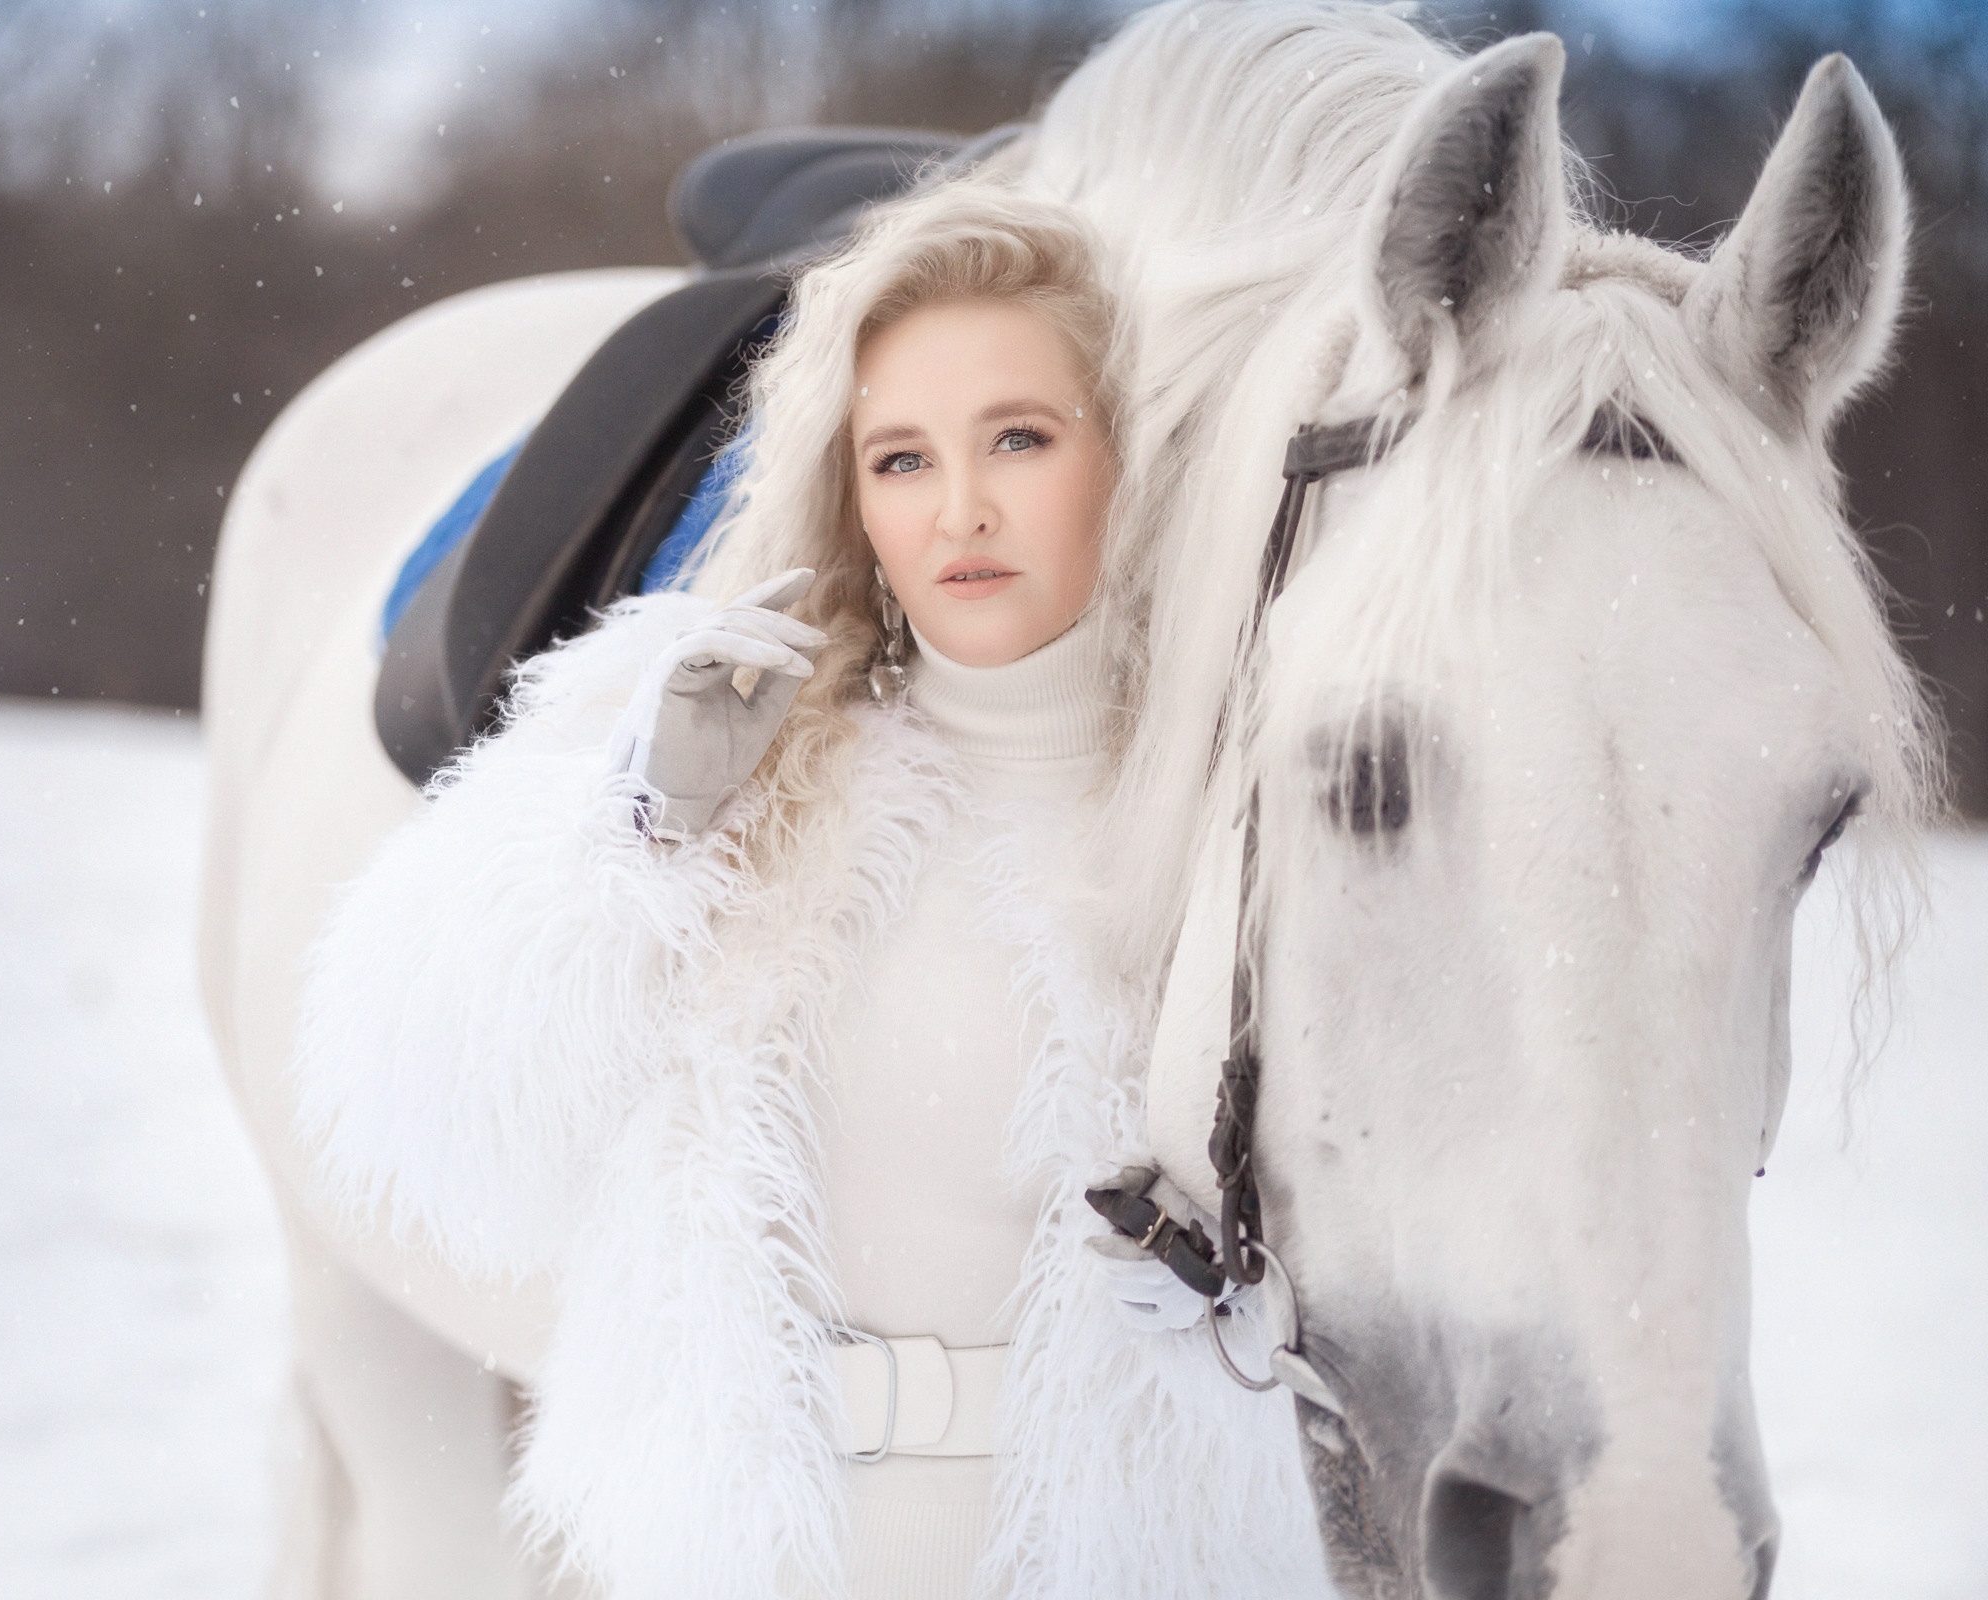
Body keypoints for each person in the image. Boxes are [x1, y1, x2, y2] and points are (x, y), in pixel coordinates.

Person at [294, 178, 1323, 1600]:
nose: (960, 509)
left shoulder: (1256, 811)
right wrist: (639, 832)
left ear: (1124, 452)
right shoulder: (729, 749)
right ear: (851, 492)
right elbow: (422, 1121)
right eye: (900, 459)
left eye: (1018, 439)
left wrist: (1250, 1306)